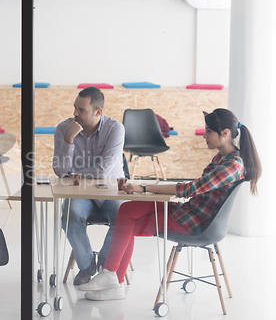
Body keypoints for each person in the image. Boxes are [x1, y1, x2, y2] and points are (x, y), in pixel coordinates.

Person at [79, 108, 261, 301]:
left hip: (196, 223)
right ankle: (114, 280)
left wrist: (144, 187)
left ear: (225, 133)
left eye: (209, 131)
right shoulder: (222, 158)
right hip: (188, 212)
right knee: (127, 210)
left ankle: (112, 277)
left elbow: (190, 189)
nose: (204, 136)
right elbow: (192, 190)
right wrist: (146, 188)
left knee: (127, 217)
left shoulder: (233, 165)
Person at [52, 87, 126, 285]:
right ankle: (86, 266)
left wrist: (73, 174)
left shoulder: (115, 128)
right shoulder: (64, 129)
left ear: (98, 112)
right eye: (75, 108)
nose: (75, 113)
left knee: (124, 218)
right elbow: (59, 171)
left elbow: (103, 171)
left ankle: (104, 266)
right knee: (70, 216)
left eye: (81, 110)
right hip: (81, 192)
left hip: (110, 191)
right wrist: (68, 140)